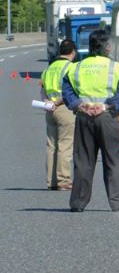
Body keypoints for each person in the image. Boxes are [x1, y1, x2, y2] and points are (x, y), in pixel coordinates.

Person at [62, 29, 119, 213]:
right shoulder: (115, 67)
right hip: (107, 117)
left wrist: (80, 105)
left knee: (83, 160)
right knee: (113, 160)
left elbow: (67, 92)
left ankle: (78, 203)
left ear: (90, 47)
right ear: (107, 47)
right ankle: (117, 203)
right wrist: (106, 106)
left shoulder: (75, 67)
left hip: (84, 117)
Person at [42, 39, 77, 190]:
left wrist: (47, 101)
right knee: (65, 144)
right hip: (64, 107)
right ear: (73, 52)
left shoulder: (49, 68)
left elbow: (43, 88)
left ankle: (51, 181)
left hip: (49, 108)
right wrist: (59, 101)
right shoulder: (71, 67)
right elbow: (71, 90)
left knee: (51, 145)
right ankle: (64, 181)